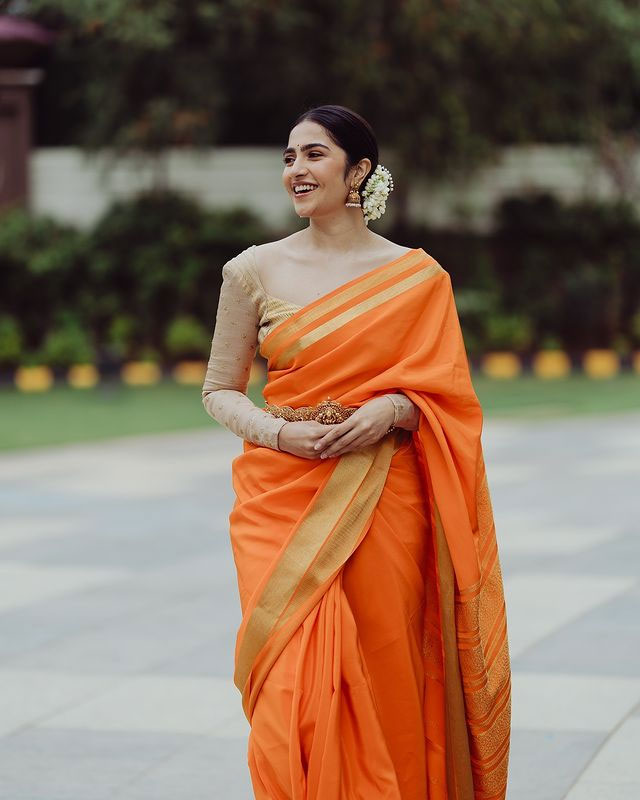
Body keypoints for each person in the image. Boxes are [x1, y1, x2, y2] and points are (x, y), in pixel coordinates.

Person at [202, 104, 511, 800]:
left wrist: (393, 409)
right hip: (280, 495)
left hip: (384, 498)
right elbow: (220, 390)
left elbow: (449, 395)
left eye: (314, 154)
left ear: (359, 170)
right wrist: (279, 433)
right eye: (289, 157)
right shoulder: (252, 270)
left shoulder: (417, 277)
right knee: (288, 686)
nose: (296, 169)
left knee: (383, 667)